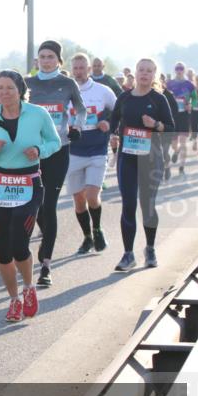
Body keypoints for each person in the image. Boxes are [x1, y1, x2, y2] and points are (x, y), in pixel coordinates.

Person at [0, 70, 60, 322]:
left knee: (20, 243)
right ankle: (13, 300)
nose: (4, 92)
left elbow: (54, 142)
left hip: (28, 182)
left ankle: (29, 287)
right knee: (2, 249)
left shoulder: (38, 114)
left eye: (9, 87)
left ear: (20, 90)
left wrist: (39, 150)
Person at [25, 40, 86, 287]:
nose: (46, 60)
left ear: (59, 61)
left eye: (51, 56)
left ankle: (46, 265)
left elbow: (80, 110)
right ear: (37, 60)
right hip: (30, 153)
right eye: (42, 56)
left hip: (59, 149)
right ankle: (43, 239)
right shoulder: (27, 84)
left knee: (48, 204)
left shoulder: (67, 83)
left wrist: (77, 126)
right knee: (35, 205)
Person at [109, 58, 175, 271]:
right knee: (128, 205)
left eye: (149, 71)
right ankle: (128, 254)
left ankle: (150, 248)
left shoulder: (159, 99)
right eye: (141, 70)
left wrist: (155, 124)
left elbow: (172, 127)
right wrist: (112, 135)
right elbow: (114, 120)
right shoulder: (125, 97)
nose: (144, 74)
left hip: (151, 159)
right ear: (135, 73)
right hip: (127, 158)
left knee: (147, 206)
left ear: (154, 74)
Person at [66, 54, 117, 255]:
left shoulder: (103, 91)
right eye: (75, 68)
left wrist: (110, 124)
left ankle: (97, 229)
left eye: (82, 68)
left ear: (89, 69)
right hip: (73, 150)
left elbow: (119, 111)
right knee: (79, 199)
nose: (79, 71)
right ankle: (87, 237)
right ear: (71, 70)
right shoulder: (65, 91)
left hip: (97, 148)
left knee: (91, 194)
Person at [166, 62, 197, 176]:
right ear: (175, 70)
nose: (179, 70)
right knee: (174, 143)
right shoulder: (169, 84)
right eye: (177, 68)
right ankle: (176, 151)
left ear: (184, 70)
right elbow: (165, 99)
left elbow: (194, 99)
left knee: (183, 141)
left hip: (184, 116)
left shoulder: (189, 84)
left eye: (181, 68)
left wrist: (191, 105)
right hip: (173, 116)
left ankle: (181, 167)